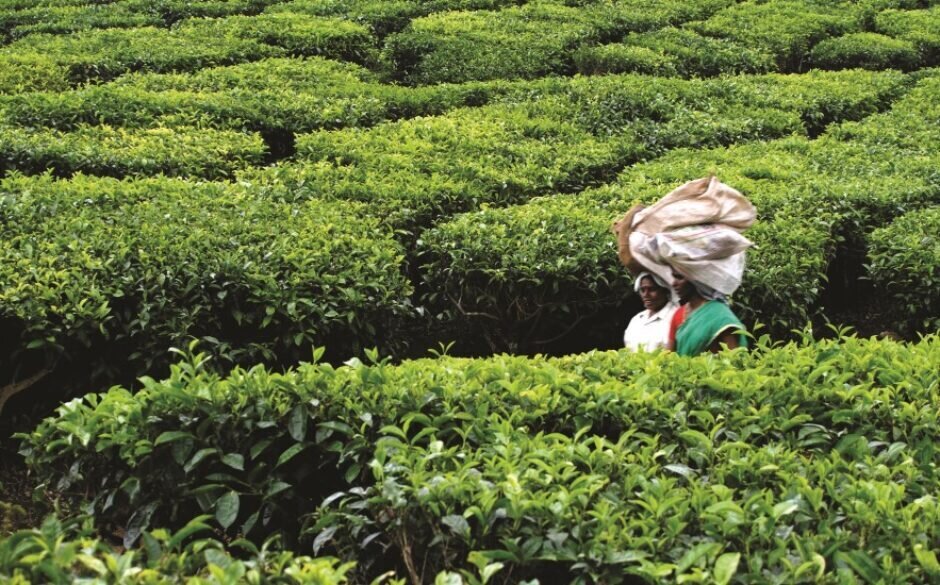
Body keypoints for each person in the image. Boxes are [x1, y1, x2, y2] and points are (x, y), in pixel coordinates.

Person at [670, 269, 747, 356]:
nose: (673, 283)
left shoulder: (719, 315)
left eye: (679, 278)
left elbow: (735, 358)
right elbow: (669, 356)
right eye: (674, 277)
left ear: (697, 280)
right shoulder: (679, 313)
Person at [623, 272, 678, 352]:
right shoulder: (637, 319)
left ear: (665, 290)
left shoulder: (675, 316)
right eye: (642, 290)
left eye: (652, 289)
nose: (646, 294)